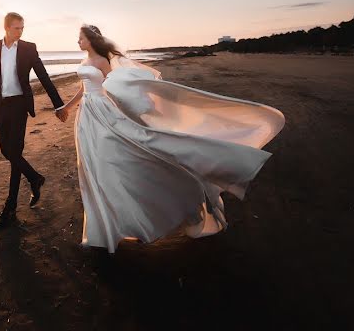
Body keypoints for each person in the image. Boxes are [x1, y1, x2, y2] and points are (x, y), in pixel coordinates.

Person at [57, 25, 284, 252]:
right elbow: (83, 87)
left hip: (103, 111)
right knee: (91, 163)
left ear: (91, 40)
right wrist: (67, 106)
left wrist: (132, 107)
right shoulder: (85, 61)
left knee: (116, 156)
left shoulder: (104, 61)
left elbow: (117, 86)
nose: (78, 42)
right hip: (86, 113)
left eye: (81, 38)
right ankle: (103, 227)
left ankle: (164, 203)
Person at [0, 12, 67, 227]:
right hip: (1, 105)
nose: (20, 32)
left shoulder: (29, 48)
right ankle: (35, 178)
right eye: (16, 28)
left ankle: (10, 208)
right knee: (6, 151)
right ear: (6, 28)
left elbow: (44, 76)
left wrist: (58, 104)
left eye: (22, 28)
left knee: (15, 153)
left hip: (20, 105)